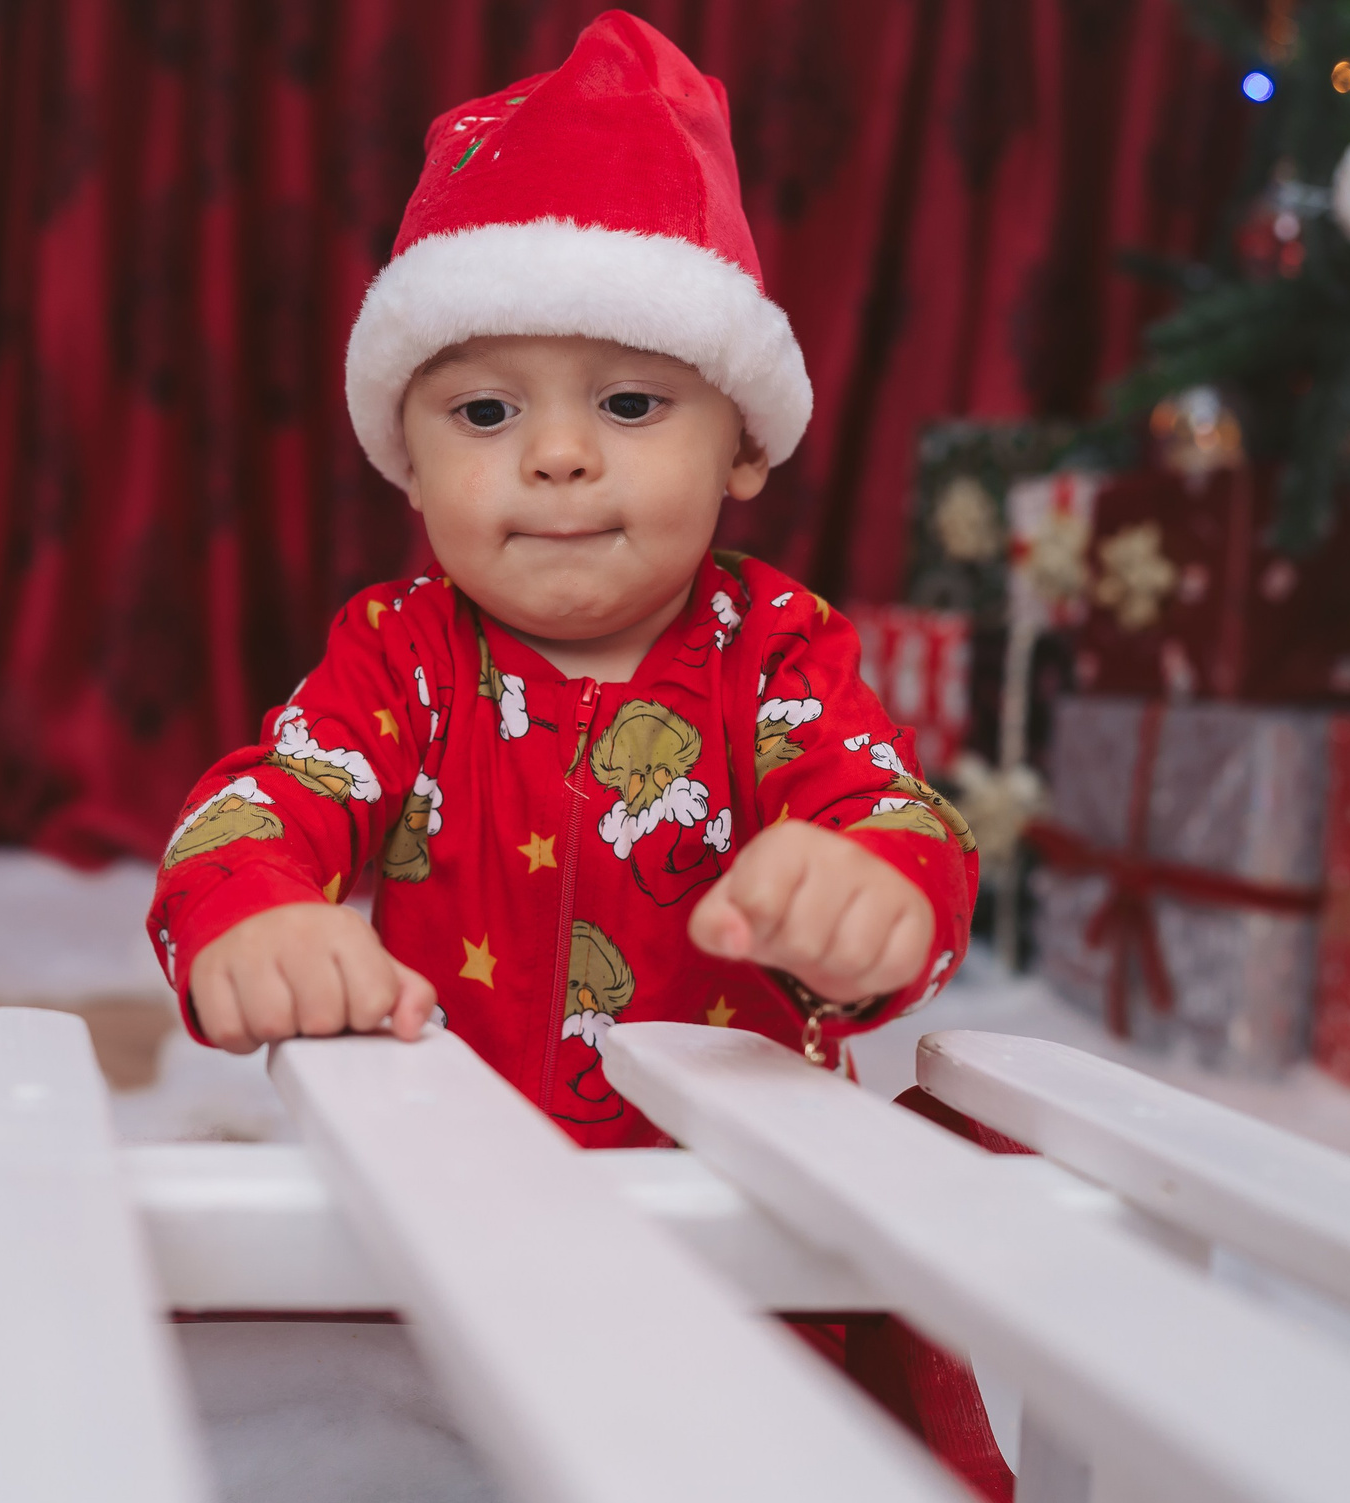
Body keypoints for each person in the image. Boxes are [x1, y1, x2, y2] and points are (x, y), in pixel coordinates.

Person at [144, 10, 976, 1148]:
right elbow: (262, 804)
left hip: (731, 1209)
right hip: (450, 1188)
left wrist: (873, 893)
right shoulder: (400, 655)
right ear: (410, 467)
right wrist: (257, 915)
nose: (557, 455)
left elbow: (888, 813)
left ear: (743, 448)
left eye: (631, 404)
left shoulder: (777, 649)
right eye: (484, 412)